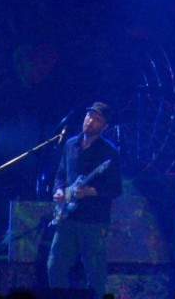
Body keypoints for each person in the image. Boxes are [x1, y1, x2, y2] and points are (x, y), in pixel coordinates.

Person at [47, 101, 123, 299]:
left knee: (95, 275)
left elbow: (116, 188)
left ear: (104, 126)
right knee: (55, 267)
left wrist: (92, 191)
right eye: (89, 116)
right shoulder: (70, 144)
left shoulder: (109, 152)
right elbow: (60, 174)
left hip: (94, 222)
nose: (90, 121)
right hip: (68, 218)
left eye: (97, 119)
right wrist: (59, 191)